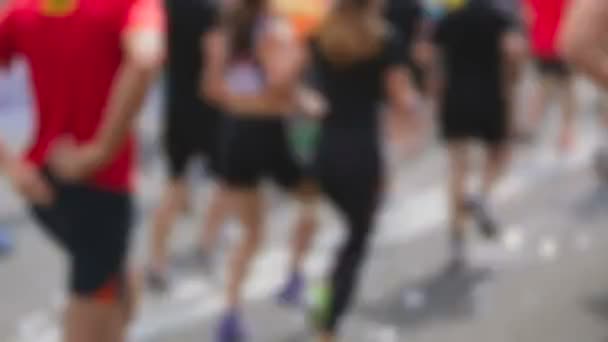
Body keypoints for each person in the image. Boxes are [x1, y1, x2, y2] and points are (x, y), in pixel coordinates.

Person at [0, 0, 164, 341]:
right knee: (95, 304)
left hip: (50, 178)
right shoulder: (131, 6)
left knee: (114, 288)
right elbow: (146, 57)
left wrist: (12, 168)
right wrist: (101, 150)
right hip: (96, 185)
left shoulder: (26, 10)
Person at [202, 0, 319, 340]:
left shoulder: (226, 31)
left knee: (251, 234)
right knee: (312, 202)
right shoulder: (273, 31)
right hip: (270, 133)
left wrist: (244, 101)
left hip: (236, 134)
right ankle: (294, 276)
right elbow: (280, 85)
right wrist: (299, 75)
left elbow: (211, 89)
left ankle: (230, 311)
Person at [306, 0, 413, 340]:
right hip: (362, 150)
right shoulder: (384, 39)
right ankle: (327, 322)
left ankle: (323, 296)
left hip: (325, 146)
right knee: (357, 237)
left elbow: (302, 88)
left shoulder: (321, 35)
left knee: (344, 233)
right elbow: (401, 98)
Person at [431, 0, 524, 270]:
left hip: (455, 98)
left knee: (457, 169)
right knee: (500, 152)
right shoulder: (499, 15)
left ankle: (456, 239)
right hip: (490, 95)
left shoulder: (448, 18)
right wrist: (513, 84)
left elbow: (435, 64)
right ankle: (483, 195)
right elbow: (513, 52)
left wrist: (436, 99)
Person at [146, 0, 231, 291]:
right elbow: (215, 60)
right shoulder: (209, 10)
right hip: (209, 107)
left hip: (175, 104)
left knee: (175, 183)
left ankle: (157, 260)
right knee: (227, 180)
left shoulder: (163, 7)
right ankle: (207, 244)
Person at [521, 0, 575, 152]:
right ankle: (566, 131)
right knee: (566, 88)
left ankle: (536, 126)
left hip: (542, 42)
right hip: (563, 40)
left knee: (544, 86)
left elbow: (527, 17)